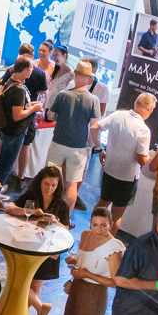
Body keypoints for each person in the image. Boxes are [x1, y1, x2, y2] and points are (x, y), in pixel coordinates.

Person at [6, 165, 73, 315]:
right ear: (40, 181)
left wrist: (56, 223)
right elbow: (10, 208)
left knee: (35, 286)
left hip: (47, 249)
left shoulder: (62, 204)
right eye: (46, 184)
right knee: (21, 282)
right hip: (28, 245)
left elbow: (66, 228)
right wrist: (29, 211)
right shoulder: (31, 196)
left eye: (53, 185)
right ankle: (38, 307)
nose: (49, 188)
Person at [62, 208, 125, 315]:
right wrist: (73, 260)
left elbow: (117, 283)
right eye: (95, 225)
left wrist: (88, 275)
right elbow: (83, 257)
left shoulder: (114, 248)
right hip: (77, 287)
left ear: (111, 224)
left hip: (94, 294)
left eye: (103, 225)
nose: (98, 229)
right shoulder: (86, 234)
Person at [44, 60, 101, 220]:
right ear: (90, 79)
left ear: (75, 75)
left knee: (50, 180)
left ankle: (47, 213)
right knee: (72, 185)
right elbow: (94, 127)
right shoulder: (93, 100)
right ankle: (66, 220)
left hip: (58, 142)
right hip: (79, 148)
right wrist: (96, 147)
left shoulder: (63, 95)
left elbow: (50, 116)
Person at [93, 93, 157, 231]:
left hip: (109, 169)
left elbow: (94, 128)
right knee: (116, 215)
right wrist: (155, 164)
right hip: (127, 177)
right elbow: (141, 159)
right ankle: (108, 245)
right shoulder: (144, 129)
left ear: (136, 103)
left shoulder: (118, 115)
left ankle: (91, 233)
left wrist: (99, 149)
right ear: (149, 109)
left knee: (102, 203)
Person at [0, 57, 41, 184]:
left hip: (7, 130)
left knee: (2, 162)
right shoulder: (18, 90)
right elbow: (17, 115)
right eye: (31, 68)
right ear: (25, 70)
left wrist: (30, 105)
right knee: (6, 165)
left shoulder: (11, 81)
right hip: (14, 132)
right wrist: (33, 108)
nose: (32, 70)